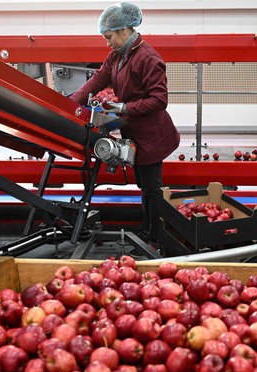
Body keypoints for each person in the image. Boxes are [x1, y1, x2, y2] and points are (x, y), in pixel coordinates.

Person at [70, 2, 180, 246]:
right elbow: (99, 78)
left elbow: (160, 99)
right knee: (143, 185)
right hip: (135, 132)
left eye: (109, 37)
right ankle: (147, 231)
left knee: (152, 189)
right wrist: (71, 102)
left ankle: (155, 239)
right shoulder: (118, 55)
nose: (107, 42)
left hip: (153, 135)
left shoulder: (148, 58)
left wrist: (125, 107)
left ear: (124, 30)